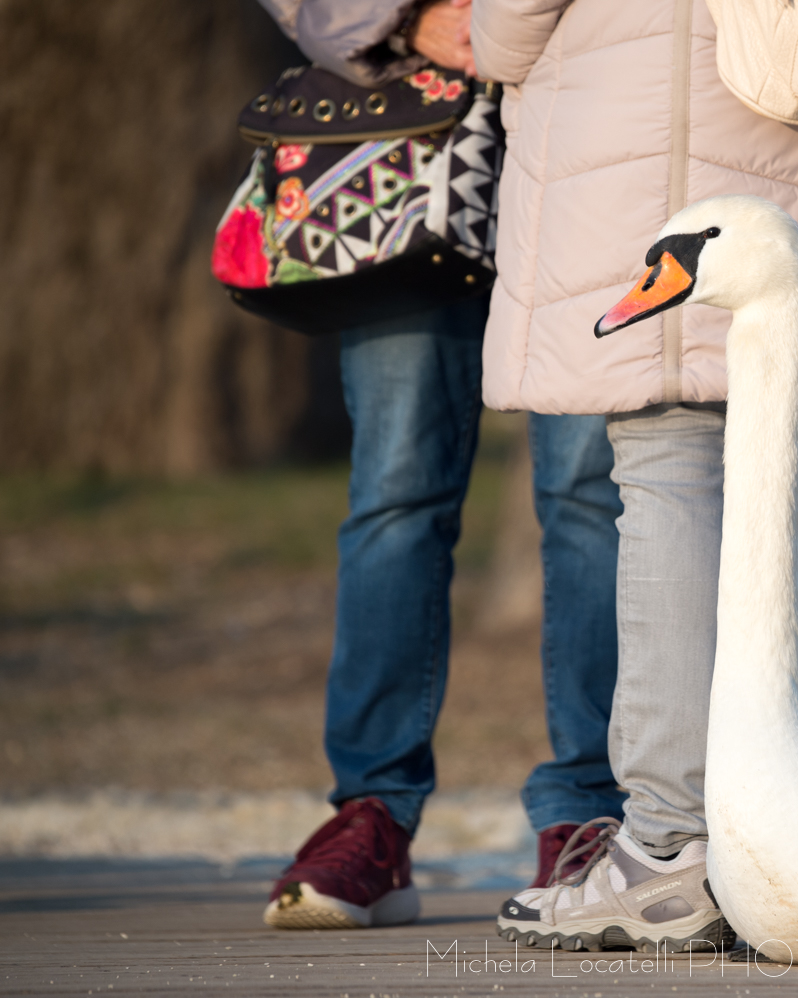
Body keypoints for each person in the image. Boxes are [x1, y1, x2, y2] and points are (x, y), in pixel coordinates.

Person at [471, 0, 798, 950]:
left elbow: (507, 24)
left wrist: (496, 41)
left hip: (653, 104)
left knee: (670, 457)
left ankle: (674, 852)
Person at [254, 0, 625, 930]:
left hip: (597, 112)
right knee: (395, 491)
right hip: (399, 125)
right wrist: (402, 15)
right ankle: (369, 815)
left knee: (597, 492)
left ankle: (599, 811)